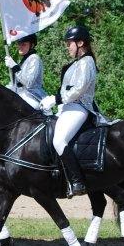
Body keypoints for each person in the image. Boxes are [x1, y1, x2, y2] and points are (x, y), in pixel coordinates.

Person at [38, 24, 97, 197]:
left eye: (69, 43)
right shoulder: (76, 64)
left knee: (59, 141)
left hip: (80, 107)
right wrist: (53, 99)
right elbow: (66, 89)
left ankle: (77, 181)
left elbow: (78, 90)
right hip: (67, 107)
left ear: (80, 43)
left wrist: (55, 100)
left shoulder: (87, 62)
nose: (67, 46)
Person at [4, 33, 46, 108]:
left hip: (32, 97)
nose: (20, 47)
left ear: (32, 45)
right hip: (21, 95)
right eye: (19, 44)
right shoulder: (23, 61)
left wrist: (15, 67)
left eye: (23, 44)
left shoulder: (34, 58)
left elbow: (28, 83)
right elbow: (14, 85)